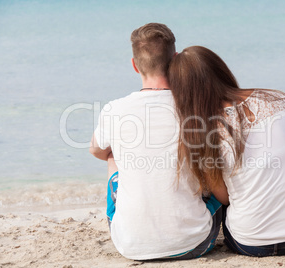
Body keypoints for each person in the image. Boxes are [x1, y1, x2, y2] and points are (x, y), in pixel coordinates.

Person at [168, 46, 285, 257]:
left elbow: (224, 198)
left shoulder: (199, 132)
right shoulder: (278, 100)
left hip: (250, 243)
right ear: (221, 70)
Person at [89, 24, 223, 260]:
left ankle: (141, 226)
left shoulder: (115, 109)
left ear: (134, 64)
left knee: (112, 154)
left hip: (130, 246)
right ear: (176, 60)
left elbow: (96, 151)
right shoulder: (194, 107)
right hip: (196, 243)